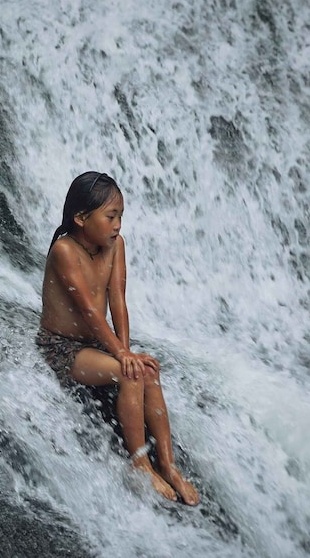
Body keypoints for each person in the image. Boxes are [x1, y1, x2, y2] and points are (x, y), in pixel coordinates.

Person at [36, 171, 200, 505]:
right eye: (111, 217)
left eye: (120, 216)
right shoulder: (64, 251)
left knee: (148, 372)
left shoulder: (115, 245)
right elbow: (89, 313)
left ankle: (167, 464)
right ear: (81, 218)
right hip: (62, 347)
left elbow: (117, 301)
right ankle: (139, 462)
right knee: (129, 373)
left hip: (97, 344)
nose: (118, 225)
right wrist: (122, 357)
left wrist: (125, 349)